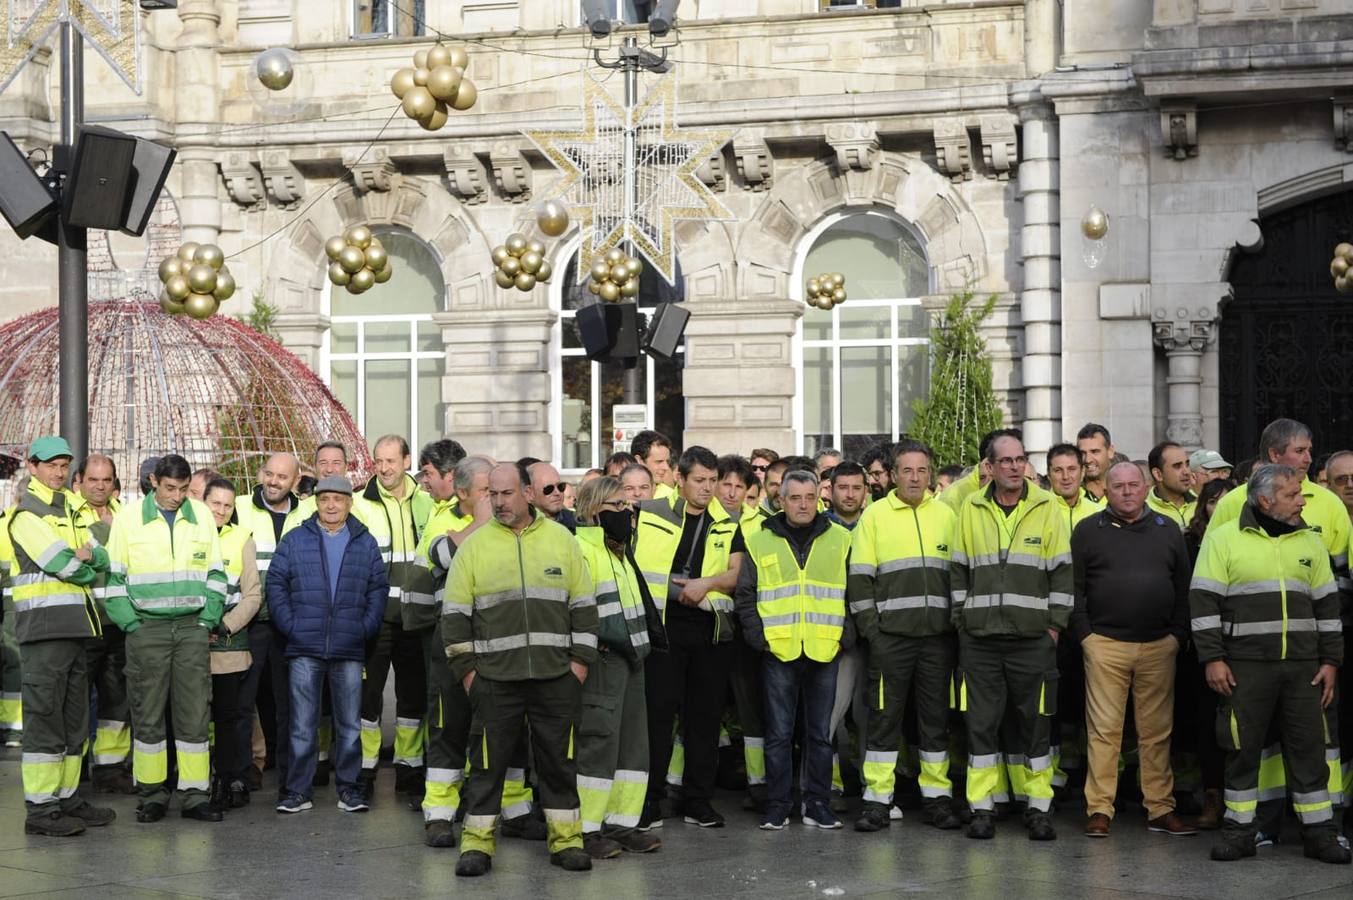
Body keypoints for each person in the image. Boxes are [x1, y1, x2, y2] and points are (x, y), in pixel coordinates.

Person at [443, 462, 598, 877]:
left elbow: (584, 606)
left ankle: (566, 842)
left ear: (527, 494)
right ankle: (477, 845)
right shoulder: (474, 547)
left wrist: (579, 666)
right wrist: (469, 674)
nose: (498, 502)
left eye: (506, 494)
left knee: (559, 764)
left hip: (555, 680)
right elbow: (454, 616)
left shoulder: (562, 540)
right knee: (487, 767)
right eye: (492, 494)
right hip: (495, 681)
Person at [1191, 464, 1349, 864]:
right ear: (1265, 500)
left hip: (1303, 669)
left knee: (1310, 751)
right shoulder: (1224, 539)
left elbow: (1328, 606)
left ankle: (1320, 833)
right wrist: (1213, 658)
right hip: (1245, 667)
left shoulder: (1309, 541)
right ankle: (1240, 832)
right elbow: (1203, 603)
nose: (1301, 501)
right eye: (1292, 495)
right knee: (1242, 751)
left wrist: (1331, 660)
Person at [952, 430, 1071, 841]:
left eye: (1020, 459)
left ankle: (1038, 808)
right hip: (980, 638)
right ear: (989, 466)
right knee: (980, 725)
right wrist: (961, 618)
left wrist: (1054, 625)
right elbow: (958, 569)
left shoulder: (1047, 505)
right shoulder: (970, 506)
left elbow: (1062, 571)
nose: (1014, 467)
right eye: (1005, 460)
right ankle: (982, 808)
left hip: (1032, 639)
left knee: (1035, 725)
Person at [1070, 462, 1195, 838]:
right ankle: (1099, 809)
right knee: (1104, 731)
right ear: (1105, 490)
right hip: (1105, 643)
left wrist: (1177, 635)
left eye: (1133, 485)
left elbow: (1183, 587)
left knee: (1156, 732)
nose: (1126, 492)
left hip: (1159, 644)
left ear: (1146, 488)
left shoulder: (1168, 529)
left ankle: (1160, 808)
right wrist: (1086, 636)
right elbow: (1074, 588)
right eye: (1118, 486)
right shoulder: (1087, 531)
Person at [106, 454, 226, 824]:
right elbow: (113, 581)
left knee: (194, 715)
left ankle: (194, 795)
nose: (177, 496)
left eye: (184, 489)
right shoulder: (128, 520)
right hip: (147, 631)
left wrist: (207, 621)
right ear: (154, 482)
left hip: (192, 630)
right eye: (170, 488)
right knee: (147, 715)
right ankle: (152, 795)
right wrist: (132, 626)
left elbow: (217, 574)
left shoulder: (201, 515)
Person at [848, 439, 960, 832]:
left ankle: (937, 798)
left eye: (922, 470)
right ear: (893, 475)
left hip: (937, 640)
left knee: (934, 721)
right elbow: (860, 581)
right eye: (907, 470)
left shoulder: (947, 516)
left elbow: (960, 577)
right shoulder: (875, 516)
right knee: (883, 720)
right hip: (890, 640)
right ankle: (878, 800)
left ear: (931, 475)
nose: (915, 477)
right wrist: (873, 634)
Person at [8, 436, 116, 836]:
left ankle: (67, 797)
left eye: (63, 465)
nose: (58, 471)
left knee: (73, 722)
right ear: (32, 467)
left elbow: (104, 551)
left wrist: (89, 558)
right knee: (44, 722)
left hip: (76, 629)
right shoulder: (27, 515)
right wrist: (84, 561)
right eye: (50, 464)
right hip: (44, 633)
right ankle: (41, 809)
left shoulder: (69, 508)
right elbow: (65, 565)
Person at [635, 446, 745, 830]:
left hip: (709, 628)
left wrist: (705, 584)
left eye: (713, 481)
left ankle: (698, 800)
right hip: (664, 627)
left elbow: (735, 573)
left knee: (704, 718)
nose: (708, 488)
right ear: (679, 479)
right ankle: (649, 801)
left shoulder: (729, 520)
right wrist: (674, 589)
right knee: (658, 717)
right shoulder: (650, 514)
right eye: (700, 480)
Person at [735, 469, 850, 831]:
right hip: (779, 650)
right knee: (779, 734)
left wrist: (844, 637)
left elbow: (856, 592)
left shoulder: (842, 539)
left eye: (809, 497)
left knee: (819, 734)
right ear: (780, 500)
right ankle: (778, 805)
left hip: (825, 648)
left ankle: (817, 803)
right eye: (795, 497)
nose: (803, 504)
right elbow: (746, 595)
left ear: (820, 498)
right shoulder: (759, 539)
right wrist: (760, 639)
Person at [269, 475, 388, 815]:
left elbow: (378, 588)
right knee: (302, 725)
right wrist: (291, 626)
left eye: (338, 499)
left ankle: (350, 789)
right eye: (325, 499)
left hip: (350, 646)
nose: (331, 505)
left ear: (350, 502)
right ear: (316, 503)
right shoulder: (295, 540)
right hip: (304, 646)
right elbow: (276, 583)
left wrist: (364, 627)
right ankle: (297, 791)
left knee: (349, 725)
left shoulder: (364, 542)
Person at [573, 477, 661, 857]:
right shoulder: (582, 550)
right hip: (602, 660)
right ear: (594, 511)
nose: (627, 514)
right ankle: (587, 829)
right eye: (618, 507)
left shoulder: (620, 552)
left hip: (631, 659)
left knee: (632, 746)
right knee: (598, 744)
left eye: (629, 507)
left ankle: (623, 824)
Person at [352, 435, 434, 803]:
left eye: (391, 461)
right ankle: (365, 769)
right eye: (378, 461)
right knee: (368, 699)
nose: (384, 468)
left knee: (412, 697)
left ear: (406, 460)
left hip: (416, 616)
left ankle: (409, 769)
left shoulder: (427, 500)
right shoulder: (360, 503)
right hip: (377, 617)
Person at [234, 452, 306, 792]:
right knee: (243, 700)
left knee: (289, 703)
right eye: (269, 473)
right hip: (252, 621)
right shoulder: (239, 507)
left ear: (295, 482)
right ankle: (243, 771)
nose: (273, 481)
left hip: (292, 624)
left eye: (282, 477)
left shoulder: (307, 513)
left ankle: (290, 776)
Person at [71, 454, 134, 794]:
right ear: (78, 480)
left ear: (114, 482)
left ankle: (110, 768)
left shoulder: (125, 515)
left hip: (118, 620)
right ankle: (75, 766)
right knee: (77, 699)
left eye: (106, 480)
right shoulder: (67, 514)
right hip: (83, 619)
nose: (99, 486)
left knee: (116, 698)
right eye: (92, 479)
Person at [201, 477, 263, 810]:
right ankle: (193, 783)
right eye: (216, 503)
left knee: (230, 718)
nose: (222, 510)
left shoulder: (242, 539)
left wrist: (224, 625)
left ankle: (229, 780)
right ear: (203, 501)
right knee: (194, 718)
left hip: (228, 644)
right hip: (192, 642)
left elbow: (253, 595)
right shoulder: (189, 535)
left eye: (228, 505)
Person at [1181, 477, 1234, 830]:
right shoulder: (1190, 542)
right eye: (1213, 501)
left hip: (1240, 644)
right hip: (1200, 646)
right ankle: (1213, 795)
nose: (1219, 508)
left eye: (1227, 501)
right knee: (1205, 724)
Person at [715, 454, 766, 807]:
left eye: (739, 487)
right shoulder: (700, 519)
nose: (732, 493)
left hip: (745, 629)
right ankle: (678, 784)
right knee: (698, 709)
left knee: (751, 712)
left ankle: (758, 784)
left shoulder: (760, 526)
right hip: (708, 628)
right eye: (726, 485)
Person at [1146, 441, 1198, 529]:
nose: (1186, 472)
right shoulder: (1145, 512)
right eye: (1177, 466)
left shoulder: (1201, 504)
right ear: (1158, 474)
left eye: (1187, 464)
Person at [529, 461, 577, 533]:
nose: (557, 493)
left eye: (560, 486)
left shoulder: (579, 523)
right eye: (549, 489)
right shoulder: (516, 527)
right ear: (530, 493)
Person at [1076, 424, 1115, 501]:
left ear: (1110, 451)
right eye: (1082, 453)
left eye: (1095, 452)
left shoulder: (1124, 493)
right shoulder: (1071, 498)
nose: (1088, 460)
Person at [827, 461, 867, 530]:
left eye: (857, 488)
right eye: (843, 488)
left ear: (865, 491)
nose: (850, 495)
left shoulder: (876, 523)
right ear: (831, 490)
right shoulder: (816, 527)